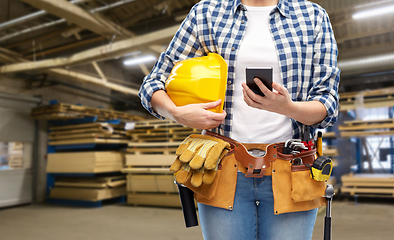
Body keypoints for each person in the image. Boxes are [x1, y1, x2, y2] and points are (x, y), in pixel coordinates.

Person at [139, 0, 340, 239]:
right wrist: (177, 113)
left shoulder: (313, 15)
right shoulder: (206, 13)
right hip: (223, 169)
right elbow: (153, 83)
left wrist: (288, 108)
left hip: (293, 171)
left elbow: (328, 103)